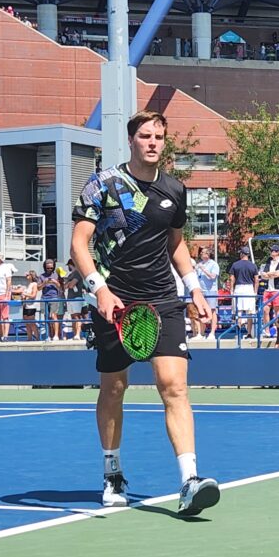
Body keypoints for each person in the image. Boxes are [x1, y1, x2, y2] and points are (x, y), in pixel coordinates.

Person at [71, 109, 220, 518]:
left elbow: (176, 245)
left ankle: (189, 480)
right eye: (145, 136)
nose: (153, 142)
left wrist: (195, 290)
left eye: (158, 136)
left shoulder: (174, 189)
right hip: (114, 301)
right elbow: (79, 245)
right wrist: (98, 289)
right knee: (114, 388)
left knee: (174, 386)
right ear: (132, 140)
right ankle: (112, 472)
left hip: (162, 298)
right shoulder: (103, 185)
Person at [229, 246, 259, 338]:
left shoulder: (235, 264)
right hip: (249, 288)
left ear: (242, 254)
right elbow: (256, 280)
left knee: (238, 312)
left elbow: (231, 278)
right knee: (250, 312)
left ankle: (238, 333)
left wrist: (231, 290)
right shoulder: (253, 265)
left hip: (238, 288)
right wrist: (255, 292)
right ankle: (249, 333)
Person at [194, 248, 220, 340]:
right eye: (201, 253)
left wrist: (204, 270)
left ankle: (212, 333)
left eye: (203, 252)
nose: (201, 254)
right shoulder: (200, 264)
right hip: (201, 291)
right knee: (201, 311)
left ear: (208, 254)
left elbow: (213, 277)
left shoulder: (213, 264)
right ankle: (201, 333)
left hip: (211, 291)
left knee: (212, 311)